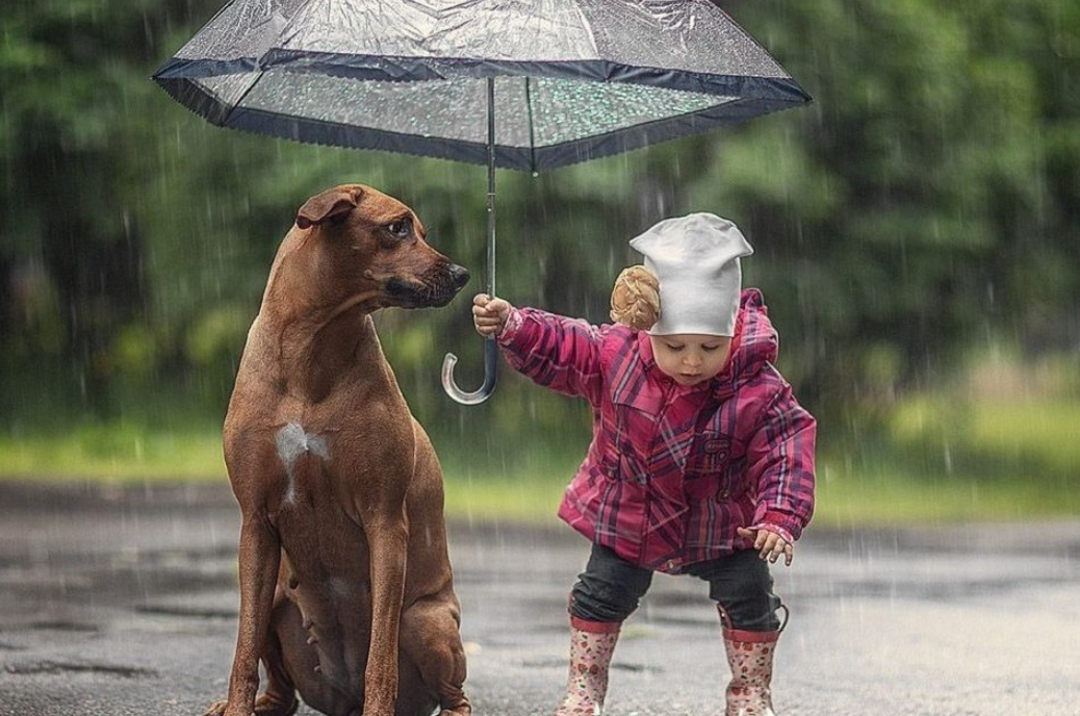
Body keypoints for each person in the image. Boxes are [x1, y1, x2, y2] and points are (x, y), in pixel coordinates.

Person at [472, 213, 816, 716]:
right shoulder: (616, 355)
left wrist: (779, 516)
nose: (692, 361)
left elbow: (787, 448)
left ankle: (750, 692)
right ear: (650, 328)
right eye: (675, 345)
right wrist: (513, 326)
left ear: (732, 335)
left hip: (722, 522)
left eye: (710, 347)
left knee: (751, 598)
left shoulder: (757, 386)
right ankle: (584, 689)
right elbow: (565, 345)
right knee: (598, 595)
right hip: (629, 511)